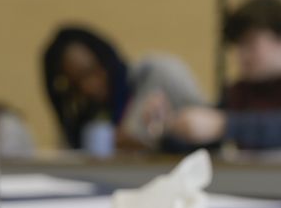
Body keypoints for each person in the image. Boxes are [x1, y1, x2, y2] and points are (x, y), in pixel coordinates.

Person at [158, 0, 281, 151]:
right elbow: (206, 139)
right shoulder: (240, 90)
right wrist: (169, 127)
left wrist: (224, 126)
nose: (241, 55)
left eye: (251, 43)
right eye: (239, 45)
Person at [41, 26, 205, 153]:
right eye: (75, 85)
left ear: (105, 58)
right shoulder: (84, 117)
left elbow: (207, 136)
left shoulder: (159, 74)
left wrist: (156, 143)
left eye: (90, 72)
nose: (87, 87)